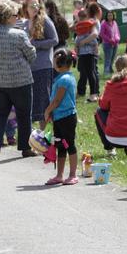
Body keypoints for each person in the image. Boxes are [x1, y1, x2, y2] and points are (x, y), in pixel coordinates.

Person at [0, 0, 37, 162]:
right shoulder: (19, 35)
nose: (17, 18)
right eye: (15, 15)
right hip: (21, 81)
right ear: (7, 18)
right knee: (23, 114)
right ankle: (25, 148)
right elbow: (32, 56)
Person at [43, 48, 79, 186]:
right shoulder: (64, 77)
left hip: (67, 118)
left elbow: (57, 100)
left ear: (60, 63)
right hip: (59, 117)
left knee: (69, 145)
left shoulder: (64, 80)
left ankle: (73, 175)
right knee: (60, 146)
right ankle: (59, 175)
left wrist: (47, 111)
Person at [23, 0, 59, 127]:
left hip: (43, 66)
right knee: (36, 101)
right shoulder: (26, 23)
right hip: (30, 67)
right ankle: (40, 134)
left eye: (37, 5)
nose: (35, 8)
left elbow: (55, 40)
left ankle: (49, 132)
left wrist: (36, 44)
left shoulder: (45, 20)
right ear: (26, 8)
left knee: (44, 99)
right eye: (31, 6)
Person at [74, 8, 99, 103]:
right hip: (82, 54)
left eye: (83, 17)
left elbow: (95, 38)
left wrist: (83, 42)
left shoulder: (90, 27)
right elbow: (77, 41)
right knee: (86, 73)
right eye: (80, 18)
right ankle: (91, 93)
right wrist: (76, 49)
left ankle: (93, 94)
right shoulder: (80, 29)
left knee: (91, 73)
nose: (81, 19)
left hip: (89, 53)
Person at [100, 10, 121, 75]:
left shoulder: (114, 23)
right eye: (108, 15)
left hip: (115, 43)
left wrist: (118, 38)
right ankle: (106, 72)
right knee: (108, 58)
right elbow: (102, 34)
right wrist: (109, 40)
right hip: (107, 44)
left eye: (111, 15)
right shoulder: (103, 23)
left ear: (113, 16)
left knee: (113, 58)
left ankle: (110, 69)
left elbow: (117, 32)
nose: (110, 17)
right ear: (106, 16)